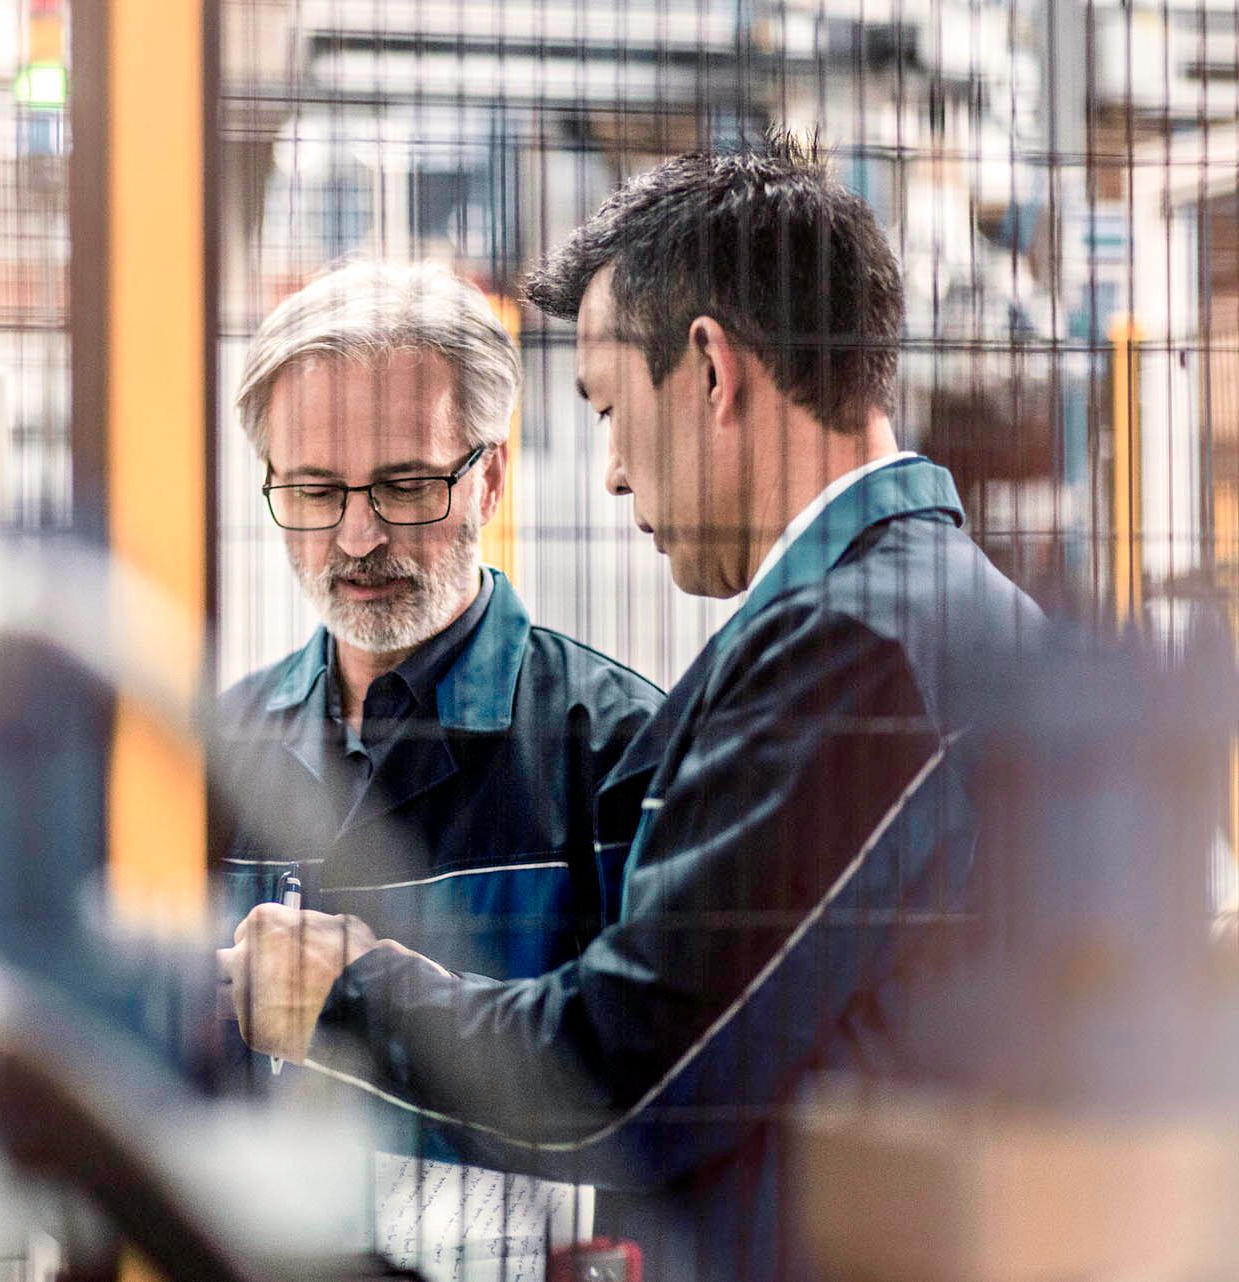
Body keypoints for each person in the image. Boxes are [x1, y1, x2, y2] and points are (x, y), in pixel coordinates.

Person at [218, 136, 1045, 1279]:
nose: (610, 472)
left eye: (607, 407)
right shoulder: (923, 619)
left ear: (709, 370)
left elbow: (629, 1080)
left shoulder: (853, 651)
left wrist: (347, 990)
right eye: (314, 491)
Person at [214, 260, 662, 1007]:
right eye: (316, 491)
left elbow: (646, 1085)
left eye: (407, 486)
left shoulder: (617, 754)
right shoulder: (223, 754)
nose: (358, 536)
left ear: (490, 479)